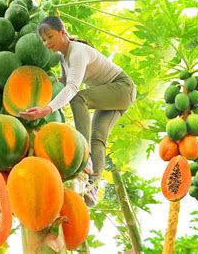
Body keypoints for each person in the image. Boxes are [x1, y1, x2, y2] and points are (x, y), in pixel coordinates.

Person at [19, 16, 136, 207]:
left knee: (79, 98)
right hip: (113, 95)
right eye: (44, 40)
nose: (47, 43)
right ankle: (93, 186)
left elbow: (72, 88)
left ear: (63, 32)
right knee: (97, 137)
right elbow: (64, 83)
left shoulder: (77, 52)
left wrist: (46, 110)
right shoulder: (63, 58)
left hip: (122, 88)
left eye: (50, 36)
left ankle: (85, 155)